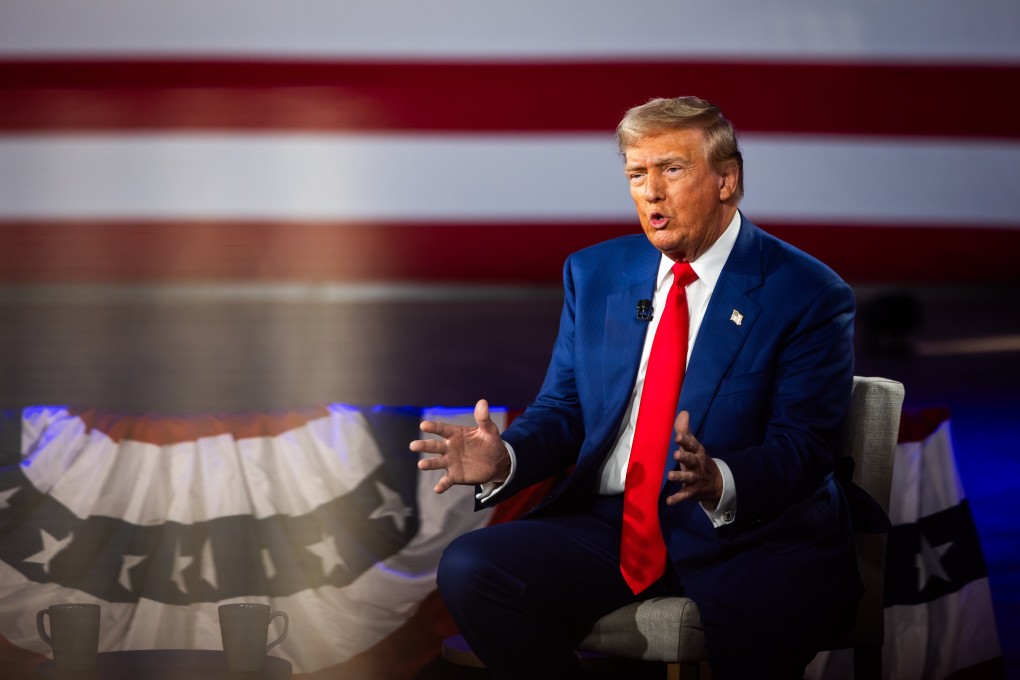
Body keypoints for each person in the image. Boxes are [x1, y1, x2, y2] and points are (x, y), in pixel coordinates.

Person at [410, 96, 860, 679]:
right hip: (611, 525)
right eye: (636, 174)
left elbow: (806, 447)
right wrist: (508, 456)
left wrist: (719, 478)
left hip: (743, 538)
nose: (650, 192)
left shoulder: (805, 293)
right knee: (473, 567)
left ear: (727, 180)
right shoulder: (595, 273)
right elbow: (566, 408)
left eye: (671, 169)